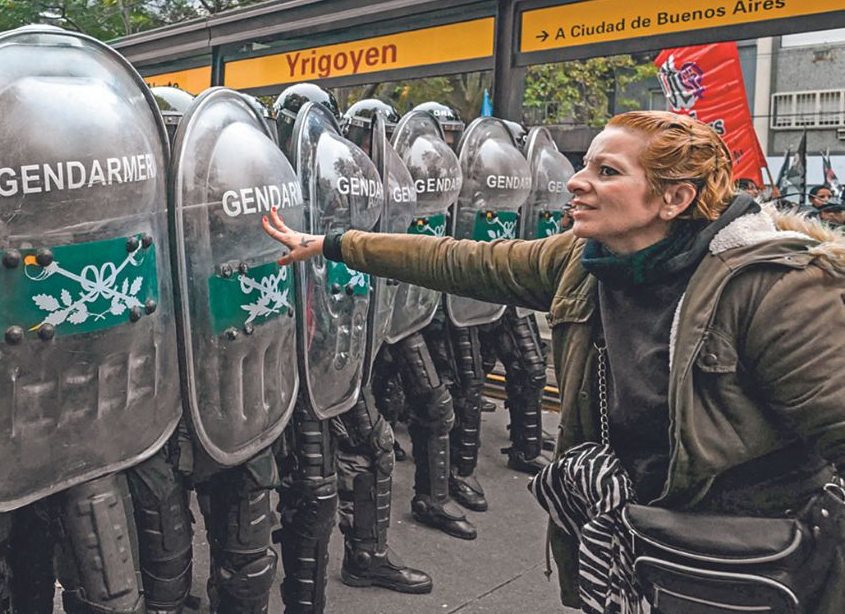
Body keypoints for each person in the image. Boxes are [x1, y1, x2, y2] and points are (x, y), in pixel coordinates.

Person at [262, 110, 845, 613]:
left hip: (751, 560)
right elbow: (466, 261)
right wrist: (335, 244)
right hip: (633, 541)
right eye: (585, 164)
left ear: (675, 198)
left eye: (607, 172)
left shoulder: (777, 290)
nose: (576, 182)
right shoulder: (585, 257)